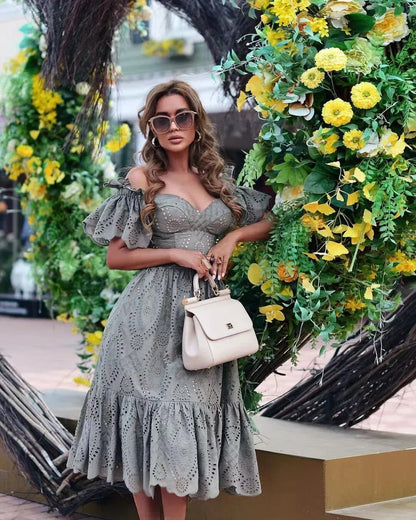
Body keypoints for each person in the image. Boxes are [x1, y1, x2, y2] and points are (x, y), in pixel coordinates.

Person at [67, 80, 273, 520]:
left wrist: (232, 237)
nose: (174, 126)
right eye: (162, 120)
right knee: (147, 421)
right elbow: (116, 257)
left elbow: (270, 220)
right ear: (152, 129)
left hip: (200, 320)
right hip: (146, 318)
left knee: (175, 427)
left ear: (197, 122)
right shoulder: (142, 179)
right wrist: (175, 253)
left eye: (182, 116)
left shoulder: (218, 181)